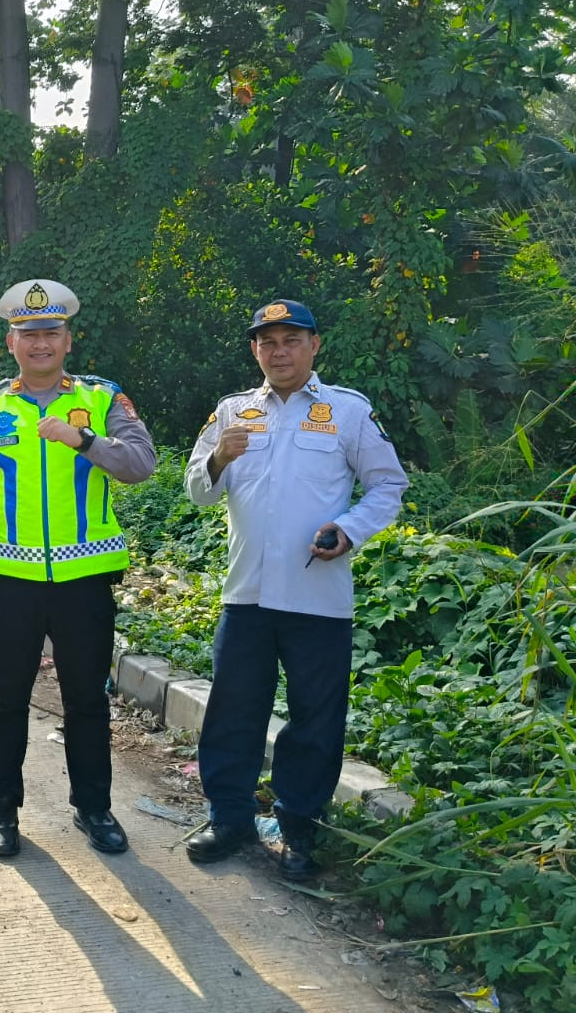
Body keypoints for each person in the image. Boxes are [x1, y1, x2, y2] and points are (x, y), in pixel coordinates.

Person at [183, 299, 408, 876]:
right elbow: (197, 492)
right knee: (233, 710)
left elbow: (388, 485)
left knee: (315, 717)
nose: (278, 352)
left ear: (314, 345)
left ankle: (299, 829)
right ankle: (229, 818)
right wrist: (217, 460)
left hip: (318, 596)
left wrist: (349, 530)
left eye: (290, 340)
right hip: (247, 595)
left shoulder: (347, 411)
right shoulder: (232, 412)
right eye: (267, 342)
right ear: (254, 350)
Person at [0, 280, 157, 858]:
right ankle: (2, 808)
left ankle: (94, 807)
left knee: (86, 699)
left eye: (51, 334)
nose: (41, 344)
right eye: (29, 334)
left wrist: (83, 439)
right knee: (4, 700)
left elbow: (142, 464)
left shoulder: (103, 399)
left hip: (85, 583)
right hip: (10, 583)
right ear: (11, 343)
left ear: (69, 340)